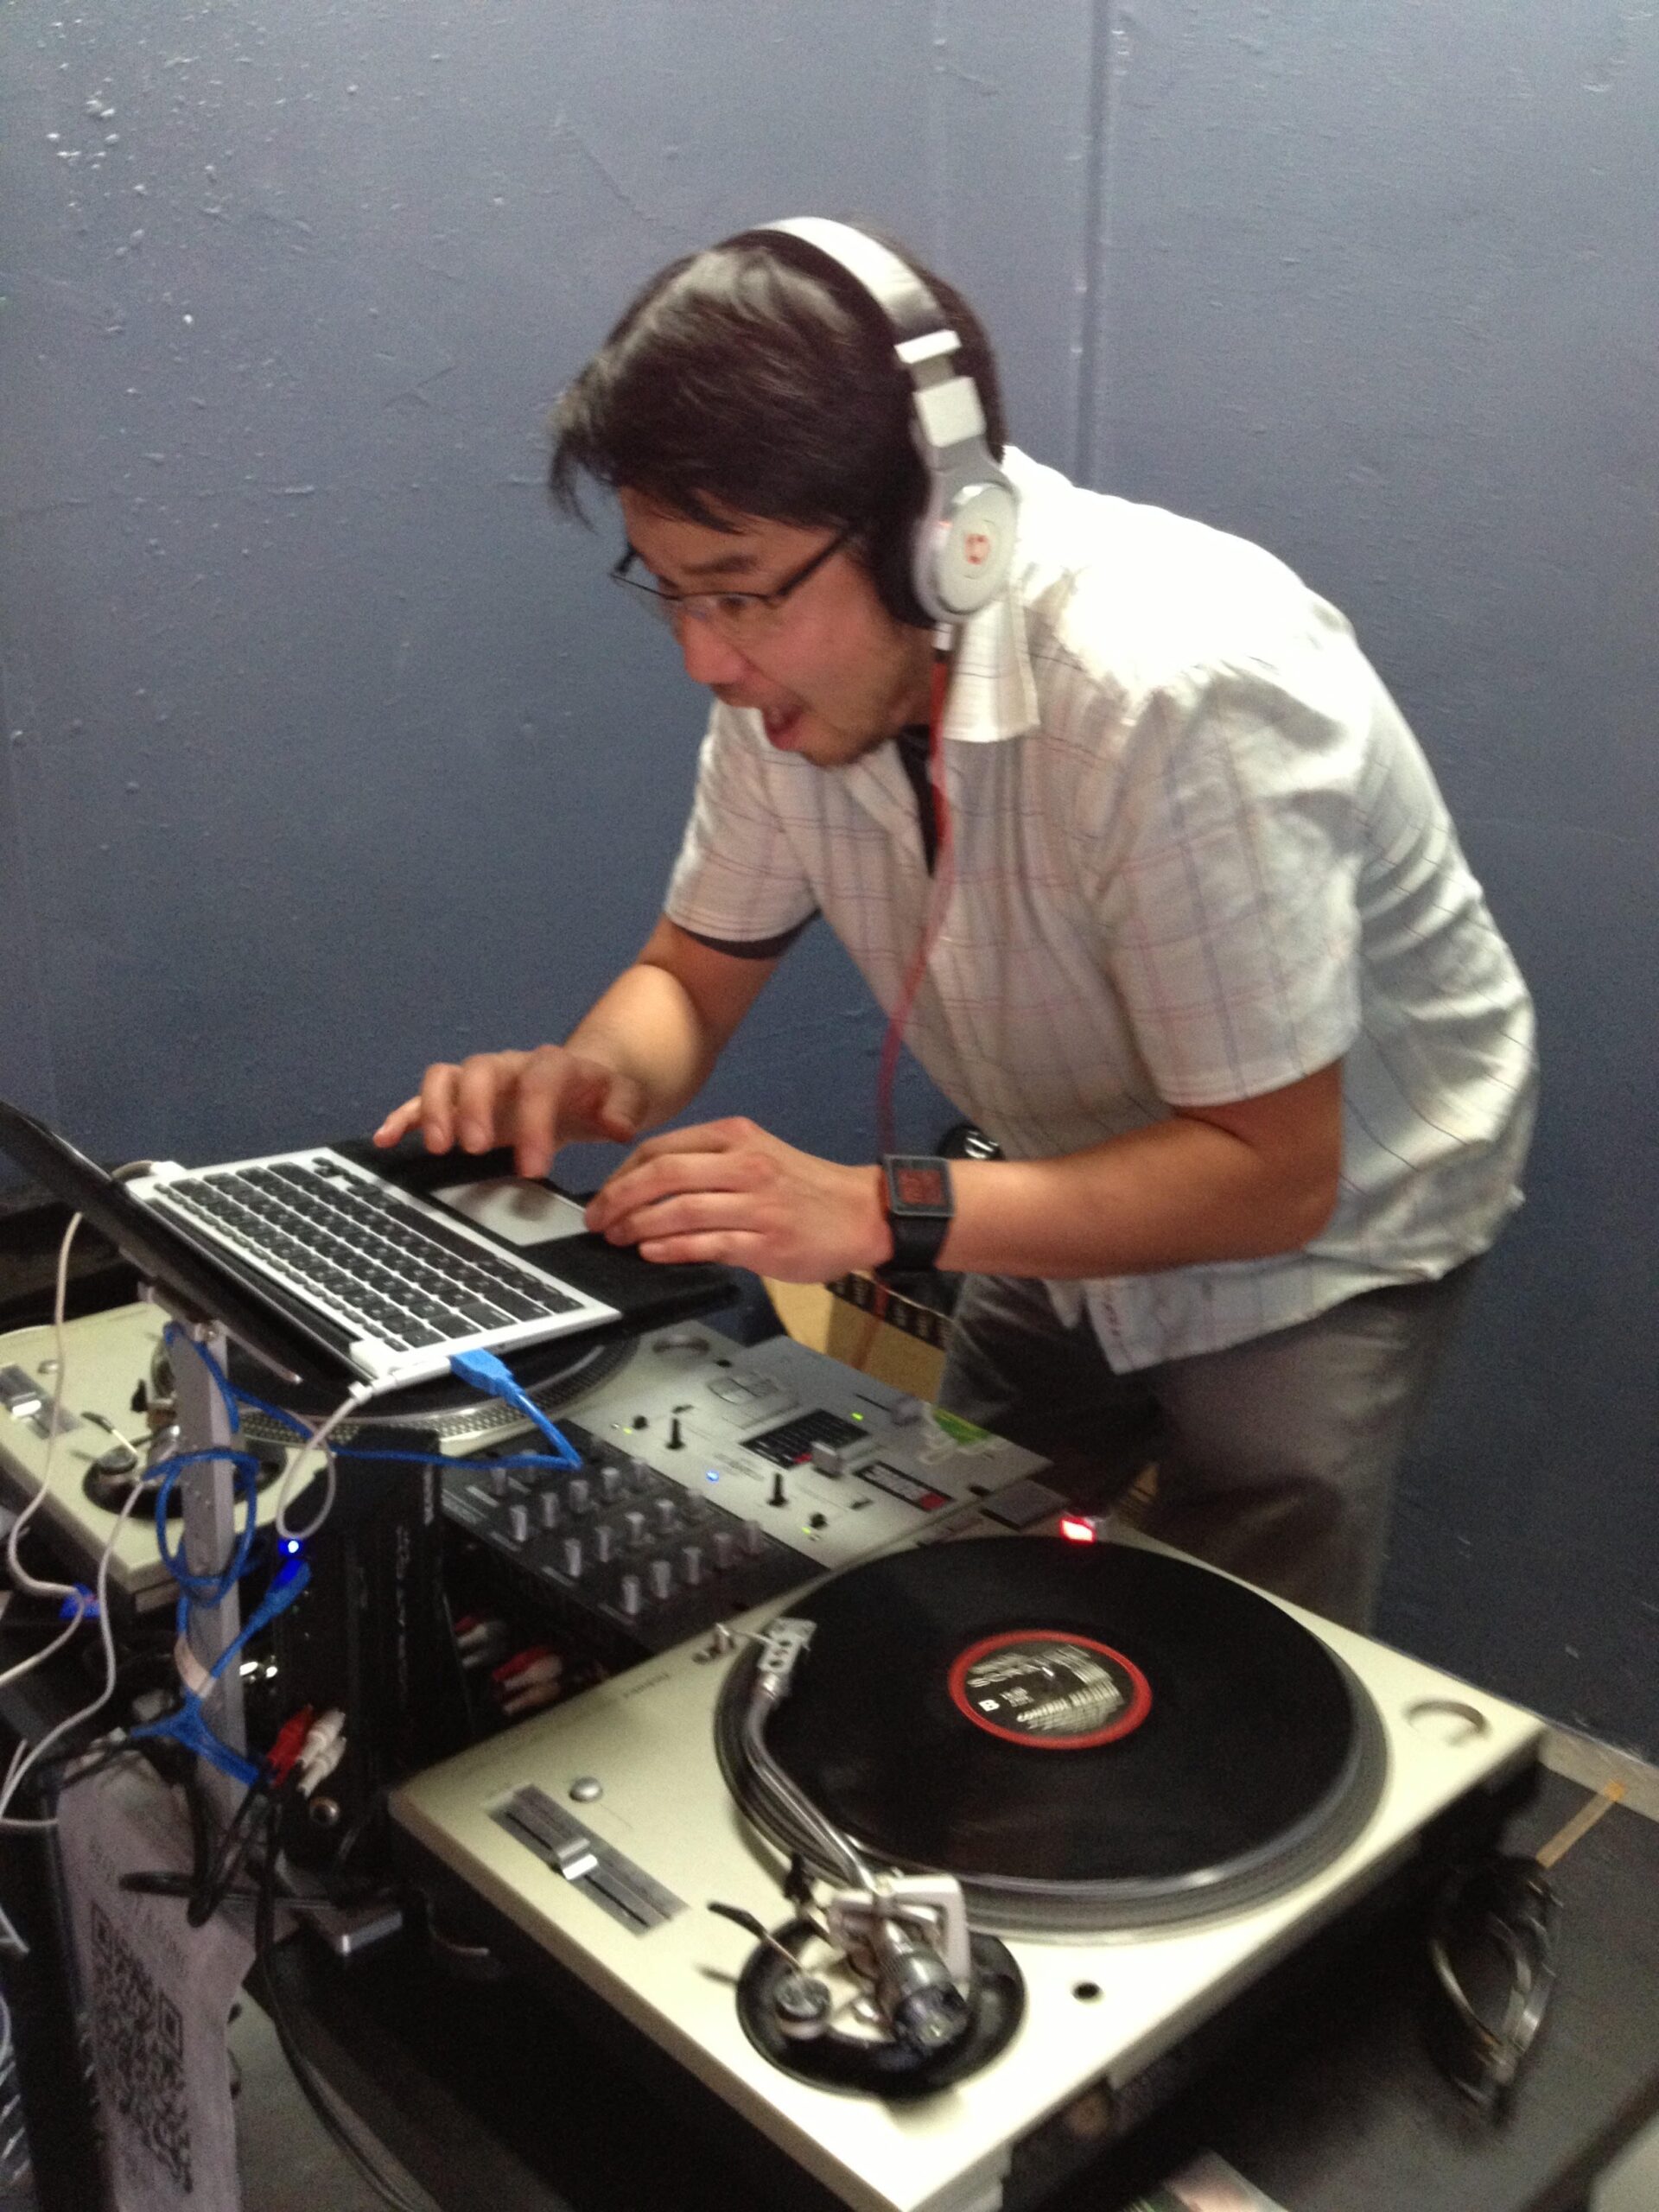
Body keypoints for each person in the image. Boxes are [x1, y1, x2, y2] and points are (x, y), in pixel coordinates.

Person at [375, 219, 1536, 1630]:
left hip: (1323, 1222)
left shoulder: (1183, 690)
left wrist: (873, 1211)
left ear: (939, 540)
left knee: (1238, 1647)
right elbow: (690, 973)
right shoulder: (781, 676)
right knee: (963, 1539)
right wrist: (589, 1077)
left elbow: (1268, 1175)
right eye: (671, 592)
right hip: (1053, 1163)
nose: (702, 657)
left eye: (737, 591)